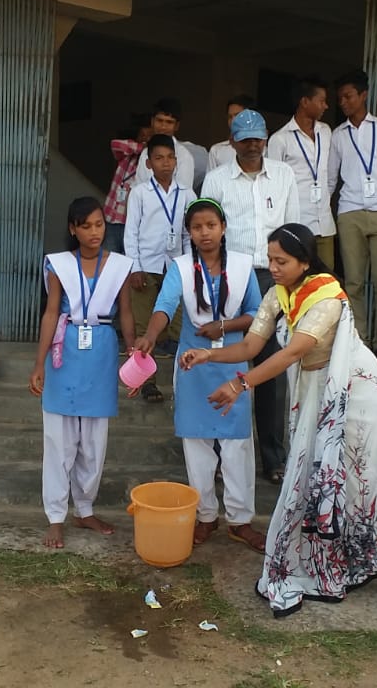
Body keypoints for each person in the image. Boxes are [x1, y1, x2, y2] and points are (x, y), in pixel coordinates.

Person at [183, 222, 377, 615]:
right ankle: (333, 562)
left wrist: (240, 384)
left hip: (354, 393)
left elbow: (292, 352)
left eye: (282, 261)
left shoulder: (326, 296)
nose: (273, 268)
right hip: (317, 390)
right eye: (270, 260)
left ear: (305, 262)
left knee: (365, 480)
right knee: (317, 479)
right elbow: (251, 345)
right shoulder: (279, 294)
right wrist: (209, 354)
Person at [132, 198, 264, 551]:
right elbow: (164, 305)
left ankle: (240, 520)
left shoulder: (242, 266)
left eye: (211, 225)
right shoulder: (180, 267)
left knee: (237, 444)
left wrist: (224, 325)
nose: (205, 233)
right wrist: (150, 336)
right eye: (196, 227)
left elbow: (257, 313)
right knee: (196, 444)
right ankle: (206, 516)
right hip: (192, 363)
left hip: (233, 360)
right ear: (188, 232)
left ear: (223, 228)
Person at [29, 198, 137, 549]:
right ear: (73, 229)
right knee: (59, 440)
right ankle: (56, 516)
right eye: (86, 226)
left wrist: (133, 354)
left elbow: (125, 312)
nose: (94, 232)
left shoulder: (120, 265)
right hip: (65, 349)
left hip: (101, 351)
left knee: (93, 441)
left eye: (100, 224)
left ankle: (85, 509)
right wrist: (38, 363)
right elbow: (50, 313)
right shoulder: (59, 264)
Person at [201, 109, 301, 483]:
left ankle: (273, 458)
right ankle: (219, 456)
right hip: (232, 277)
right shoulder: (216, 180)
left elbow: (294, 230)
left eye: (258, 138)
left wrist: (293, 282)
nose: (253, 145)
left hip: (274, 278)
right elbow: (206, 235)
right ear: (232, 141)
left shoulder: (285, 175)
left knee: (272, 368)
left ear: (266, 137)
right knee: (226, 364)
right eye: (245, 139)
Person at [327, 70, 377, 365]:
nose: (343, 103)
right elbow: (331, 178)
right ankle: (358, 341)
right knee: (354, 282)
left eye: (348, 96)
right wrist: (331, 213)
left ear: (363, 95)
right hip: (350, 211)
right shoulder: (338, 134)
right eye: (340, 99)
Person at [125, 134, 195, 401]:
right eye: (159, 158)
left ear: (176, 161)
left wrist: (189, 266)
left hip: (175, 267)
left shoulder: (186, 193)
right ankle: (146, 382)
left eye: (170, 158)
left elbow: (189, 234)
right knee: (145, 325)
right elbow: (131, 232)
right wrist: (135, 267)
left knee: (179, 326)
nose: (165, 163)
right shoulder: (140, 193)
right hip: (146, 265)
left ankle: (184, 379)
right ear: (148, 163)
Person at [267, 77, 336, 269]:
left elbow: (330, 175)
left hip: (324, 223)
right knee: (298, 278)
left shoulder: (326, 131)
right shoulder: (280, 139)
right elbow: (274, 185)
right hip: (298, 224)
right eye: (321, 101)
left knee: (326, 279)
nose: (326, 106)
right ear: (305, 102)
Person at [102, 114, 152, 254]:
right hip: (111, 219)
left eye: (149, 136)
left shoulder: (151, 162)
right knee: (110, 262)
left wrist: (149, 150)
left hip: (130, 224)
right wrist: (143, 147)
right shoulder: (127, 155)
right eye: (142, 134)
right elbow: (115, 144)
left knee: (128, 263)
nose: (145, 138)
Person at [134, 98, 195, 191]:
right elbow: (138, 188)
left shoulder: (184, 155)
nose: (163, 127)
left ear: (176, 126)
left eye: (169, 122)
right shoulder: (145, 153)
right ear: (152, 122)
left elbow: (184, 193)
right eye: (159, 120)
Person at [206, 94, 255, 173]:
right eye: (230, 117)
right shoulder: (217, 151)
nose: (233, 121)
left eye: (237, 116)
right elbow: (210, 180)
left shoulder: (263, 150)